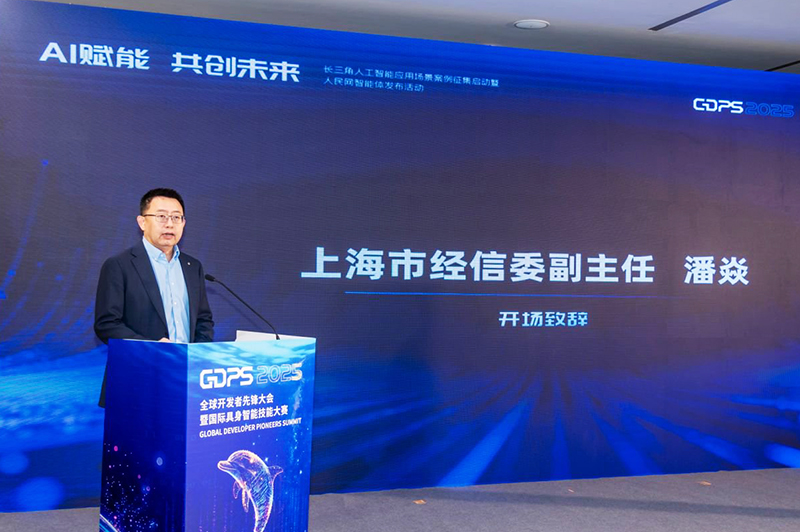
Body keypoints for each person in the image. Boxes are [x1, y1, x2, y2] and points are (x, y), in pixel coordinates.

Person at [94, 188, 214, 406]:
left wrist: (198, 356)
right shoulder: (119, 265)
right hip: (137, 379)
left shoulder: (192, 266)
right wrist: (153, 347)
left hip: (185, 378)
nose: (169, 224)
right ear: (142, 222)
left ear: (183, 223)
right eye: (161, 216)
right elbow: (107, 324)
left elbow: (203, 320)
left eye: (176, 217)